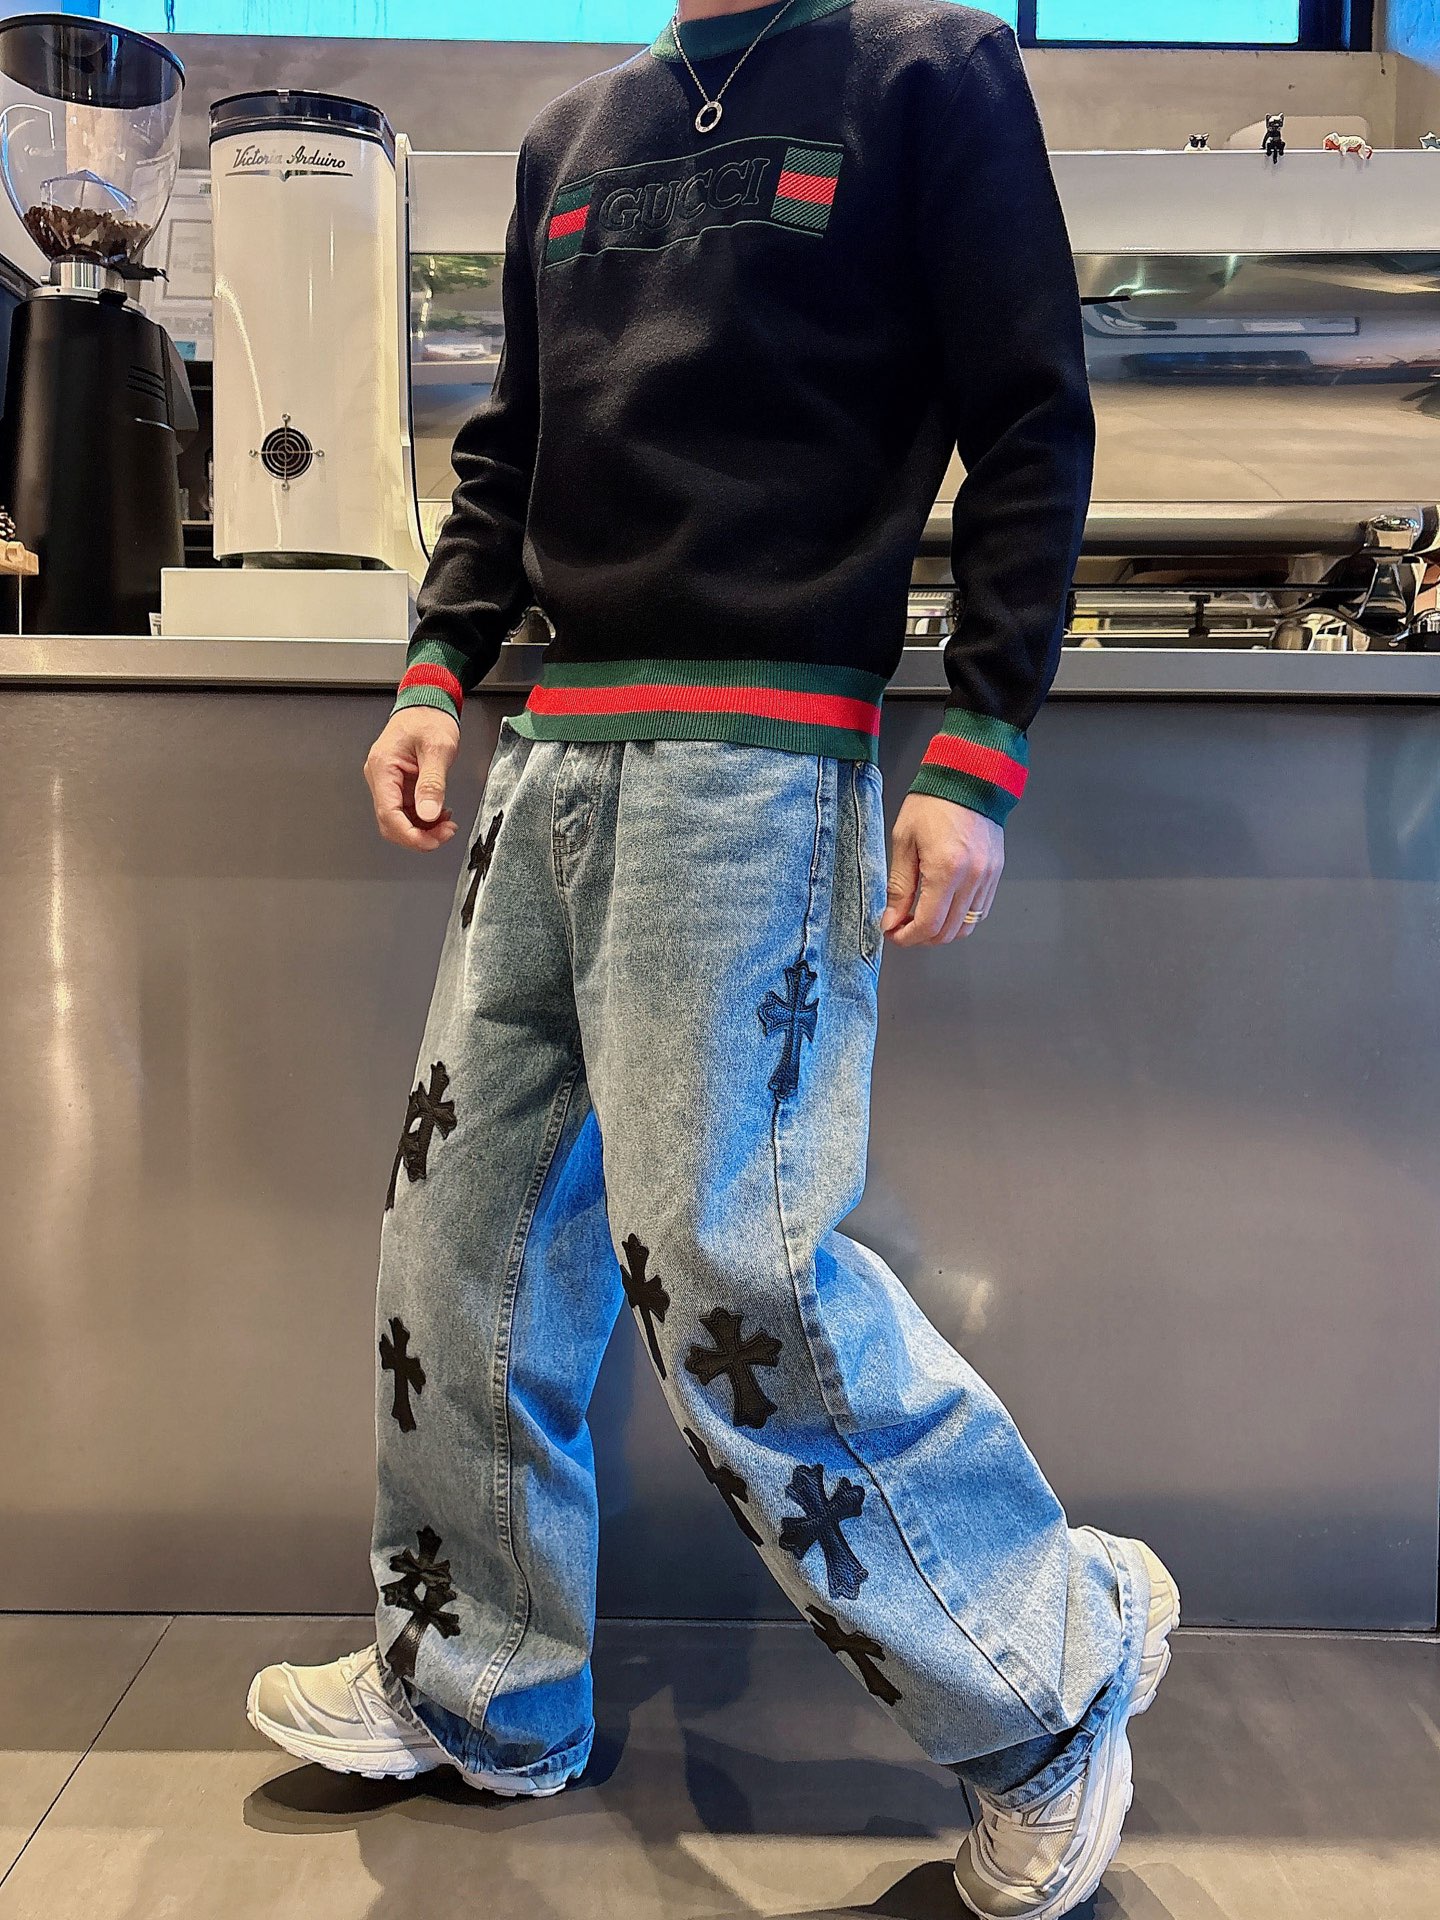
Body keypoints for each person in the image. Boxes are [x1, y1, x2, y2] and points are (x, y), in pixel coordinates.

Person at [246, 4, 1177, 1915]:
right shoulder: (573, 132)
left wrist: (979, 745)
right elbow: (512, 450)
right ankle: (479, 1690)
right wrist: (437, 672)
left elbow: (1030, 416)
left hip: (758, 765)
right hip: (553, 760)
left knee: (732, 1267)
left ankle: (1052, 1675)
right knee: (463, 1243)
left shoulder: (925, 72)